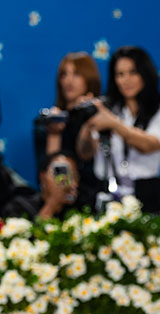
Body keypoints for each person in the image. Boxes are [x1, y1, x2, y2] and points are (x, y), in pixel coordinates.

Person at [75, 45, 160, 196]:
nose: (126, 80)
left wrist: (113, 123)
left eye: (133, 72)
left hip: (146, 193)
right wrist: (88, 122)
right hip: (105, 190)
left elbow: (149, 144)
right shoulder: (106, 108)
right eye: (120, 74)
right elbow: (85, 153)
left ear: (145, 74)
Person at [34, 52, 104, 210]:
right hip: (57, 201)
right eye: (64, 74)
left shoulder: (102, 116)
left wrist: (88, 116)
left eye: (76, 74)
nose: (69, 81)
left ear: (89, 78)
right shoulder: (47, 122)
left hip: (91, 198)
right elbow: (48, 176)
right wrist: (54, 133)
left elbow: (88, 157)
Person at [0, 151, 80, 220]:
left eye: (73, 176)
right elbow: (29, 236)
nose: (69, 183)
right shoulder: (19, 206)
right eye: (59, 175)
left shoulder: (82, 205)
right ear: (42, 177)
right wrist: (53, 202)